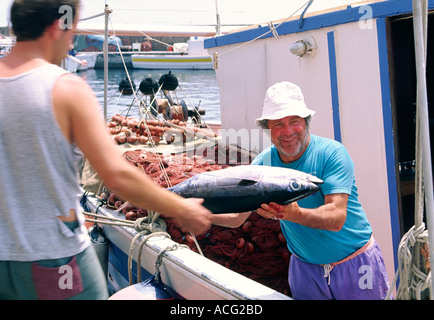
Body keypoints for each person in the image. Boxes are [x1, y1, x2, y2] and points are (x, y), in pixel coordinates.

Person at [0, 0, 212, 300]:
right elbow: (115, 175)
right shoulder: (65, 89)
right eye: (72, 30)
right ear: (57, 24)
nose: (72, 39)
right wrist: (182, 208)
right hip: (53, 258)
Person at [212, 81, 391, 300]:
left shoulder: (332, 153)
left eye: (294, 121)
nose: (287, 131)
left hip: (355, 264)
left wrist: (293, 214)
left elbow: (336, 217)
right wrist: (190, 211)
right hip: (305, 270)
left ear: (306, 123)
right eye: (277, 124)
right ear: (267, 128)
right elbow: (237, 217)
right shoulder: (262, 165)